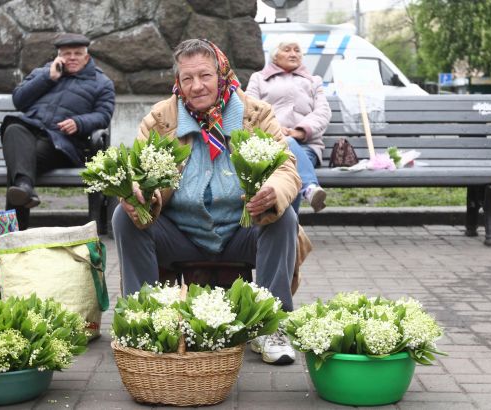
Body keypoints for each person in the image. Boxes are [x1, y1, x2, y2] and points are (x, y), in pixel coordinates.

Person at [112, 39, 306, 365]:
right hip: (182, 237)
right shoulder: (161, 119)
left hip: (241, 232)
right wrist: (140, 194)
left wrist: (273, 190)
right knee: (123, 216)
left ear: (222, 74)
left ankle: (271, 325)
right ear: (178, 81)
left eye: (205, 75)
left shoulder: (255, 114)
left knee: (282, 217)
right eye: (187, 78)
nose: (196, 86)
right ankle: (144, 317)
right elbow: (138, 170)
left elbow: (287, 167)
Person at [0, 33, 115, 228]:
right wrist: (49, 77)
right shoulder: (44, 73)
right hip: (29, 131)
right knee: (13, 129)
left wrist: (79, 122)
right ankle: (24, 187)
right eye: (66, 53)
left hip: (61, 143)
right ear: (58, 56)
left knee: (20, 161)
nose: (72, 57)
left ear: (86, 57)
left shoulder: (101, 83)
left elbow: (103, 115)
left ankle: (16, 228)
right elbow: (19, 100)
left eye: (77, 53)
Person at [246, 39, 331, 213]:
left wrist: (300, 131)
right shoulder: (259, 79)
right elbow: (249, 110)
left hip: (306, 146)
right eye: (287, 49)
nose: (293, 54)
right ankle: (309, 189)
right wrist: (275, 129)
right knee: (288, 147)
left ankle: (288, 229)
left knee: (290, 154)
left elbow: (323, 111)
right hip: (269, 144)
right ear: (275, 55)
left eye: (297, 50)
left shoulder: (314, 81)